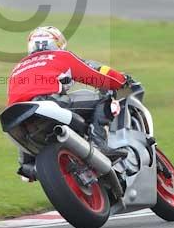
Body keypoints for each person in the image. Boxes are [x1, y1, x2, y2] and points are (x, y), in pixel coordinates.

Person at [7, 26, 128, 181]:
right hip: (47, 102)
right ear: (56, 43)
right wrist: (121, 81)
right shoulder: (60, 56)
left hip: (16, 115)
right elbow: (96, 76)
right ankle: (99, 145)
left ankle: (27, 164)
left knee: (25, 120)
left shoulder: (17, 67)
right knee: (105, 101)